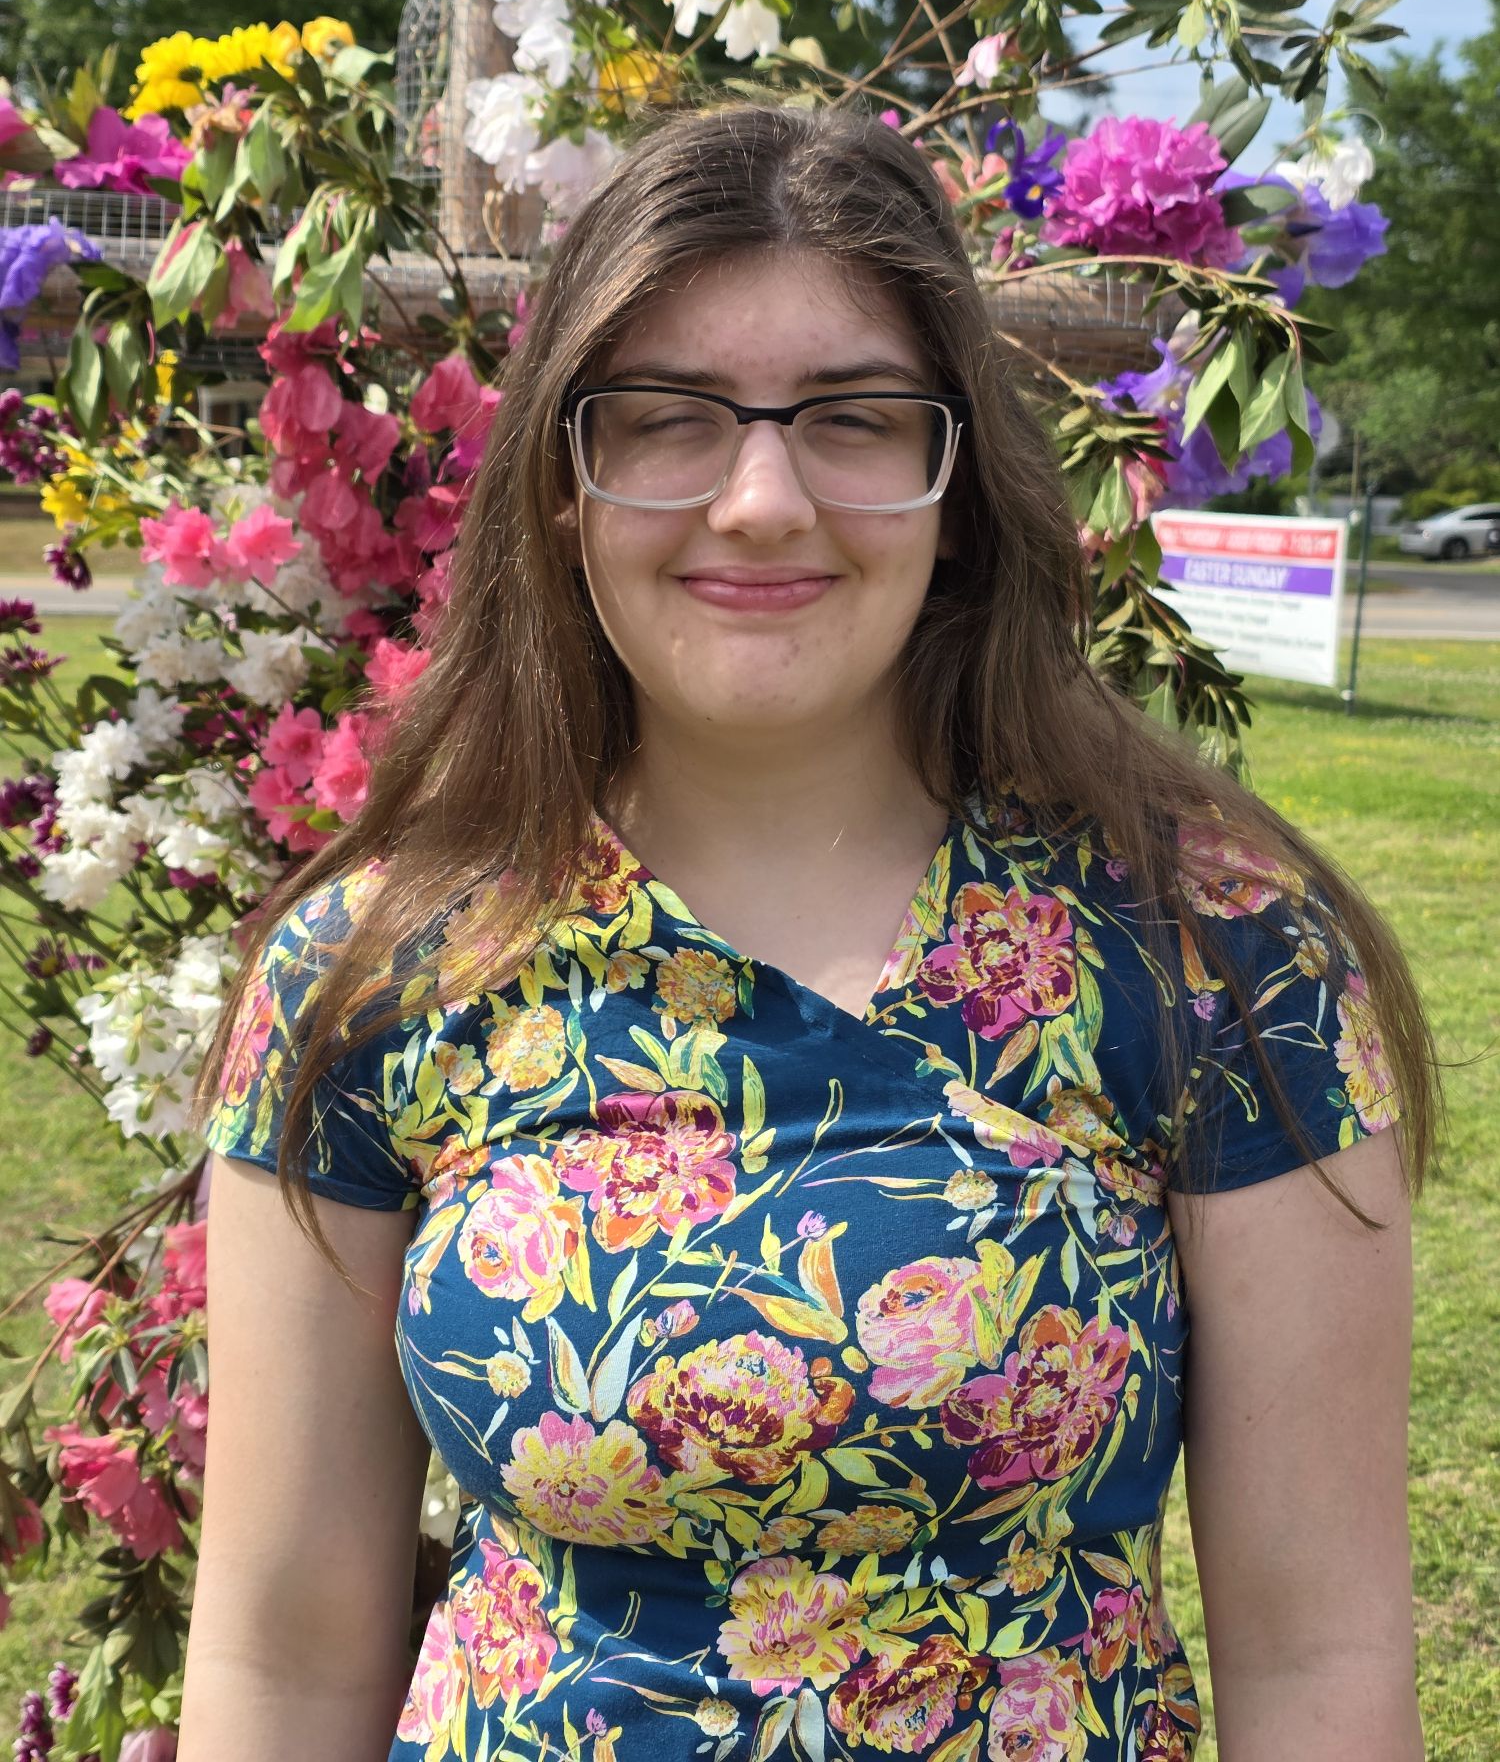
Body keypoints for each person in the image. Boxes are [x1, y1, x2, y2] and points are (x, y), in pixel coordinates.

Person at [180, 100, 1438, 1762]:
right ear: (561, 484)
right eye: (665, 420)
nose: (762, 499)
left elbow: (1319, 1656)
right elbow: (283, 1654)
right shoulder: (377, 970)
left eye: (853, 419)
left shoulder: (1215, 956)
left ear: (955, 484)